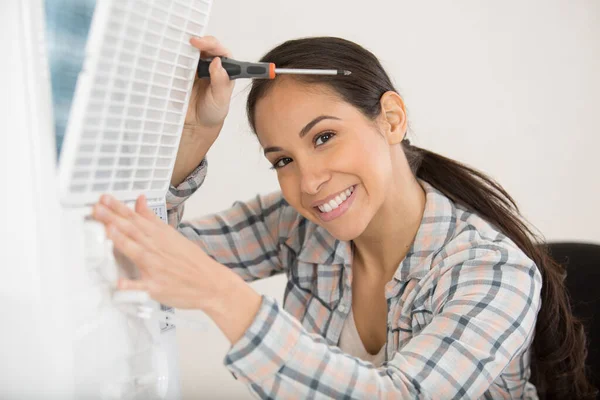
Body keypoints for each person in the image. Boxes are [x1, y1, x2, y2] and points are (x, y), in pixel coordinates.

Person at [92, 36, 596, 399]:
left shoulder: (493, 272)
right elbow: (146, 253)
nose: (309, 182)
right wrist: (196, 138)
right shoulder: (302, 224)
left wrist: (223, 296)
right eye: (283, 161)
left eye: (324, 137)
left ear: (392, 119)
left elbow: (401, 395)